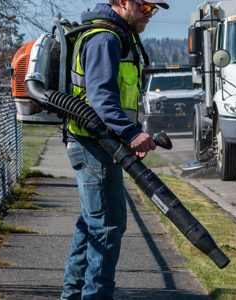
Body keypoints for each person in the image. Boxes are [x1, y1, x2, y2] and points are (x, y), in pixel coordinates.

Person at [61, 0, 168, 299]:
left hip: (99, 146)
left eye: (153, 10)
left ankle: (73, 295)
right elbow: (102, 100)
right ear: (121, 2)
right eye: (145, 7)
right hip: (93, 146)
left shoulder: (115, 36)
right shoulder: (105, 38)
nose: (149, 14)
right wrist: (132, 134)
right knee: (107, 227)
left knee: (92, 226)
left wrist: (126, 137)